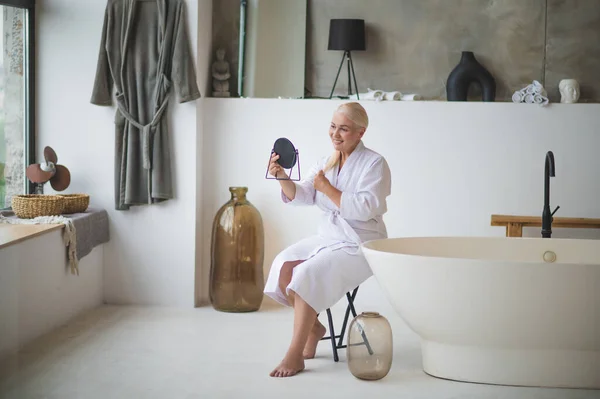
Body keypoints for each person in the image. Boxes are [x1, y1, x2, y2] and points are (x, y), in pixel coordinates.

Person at [264, 102, 392, 377]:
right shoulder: (326, 162)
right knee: (283, 266)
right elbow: (303, 195)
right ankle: (314, 328)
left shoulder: (375, 164)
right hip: (329, 236)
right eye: (333, 126)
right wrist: (282, 177)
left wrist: (328, 189)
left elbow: (367, 207)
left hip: (360, 244)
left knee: (307, 272)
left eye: (343, 129)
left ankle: (294, 354)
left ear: (360, 132)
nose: (335, 134)